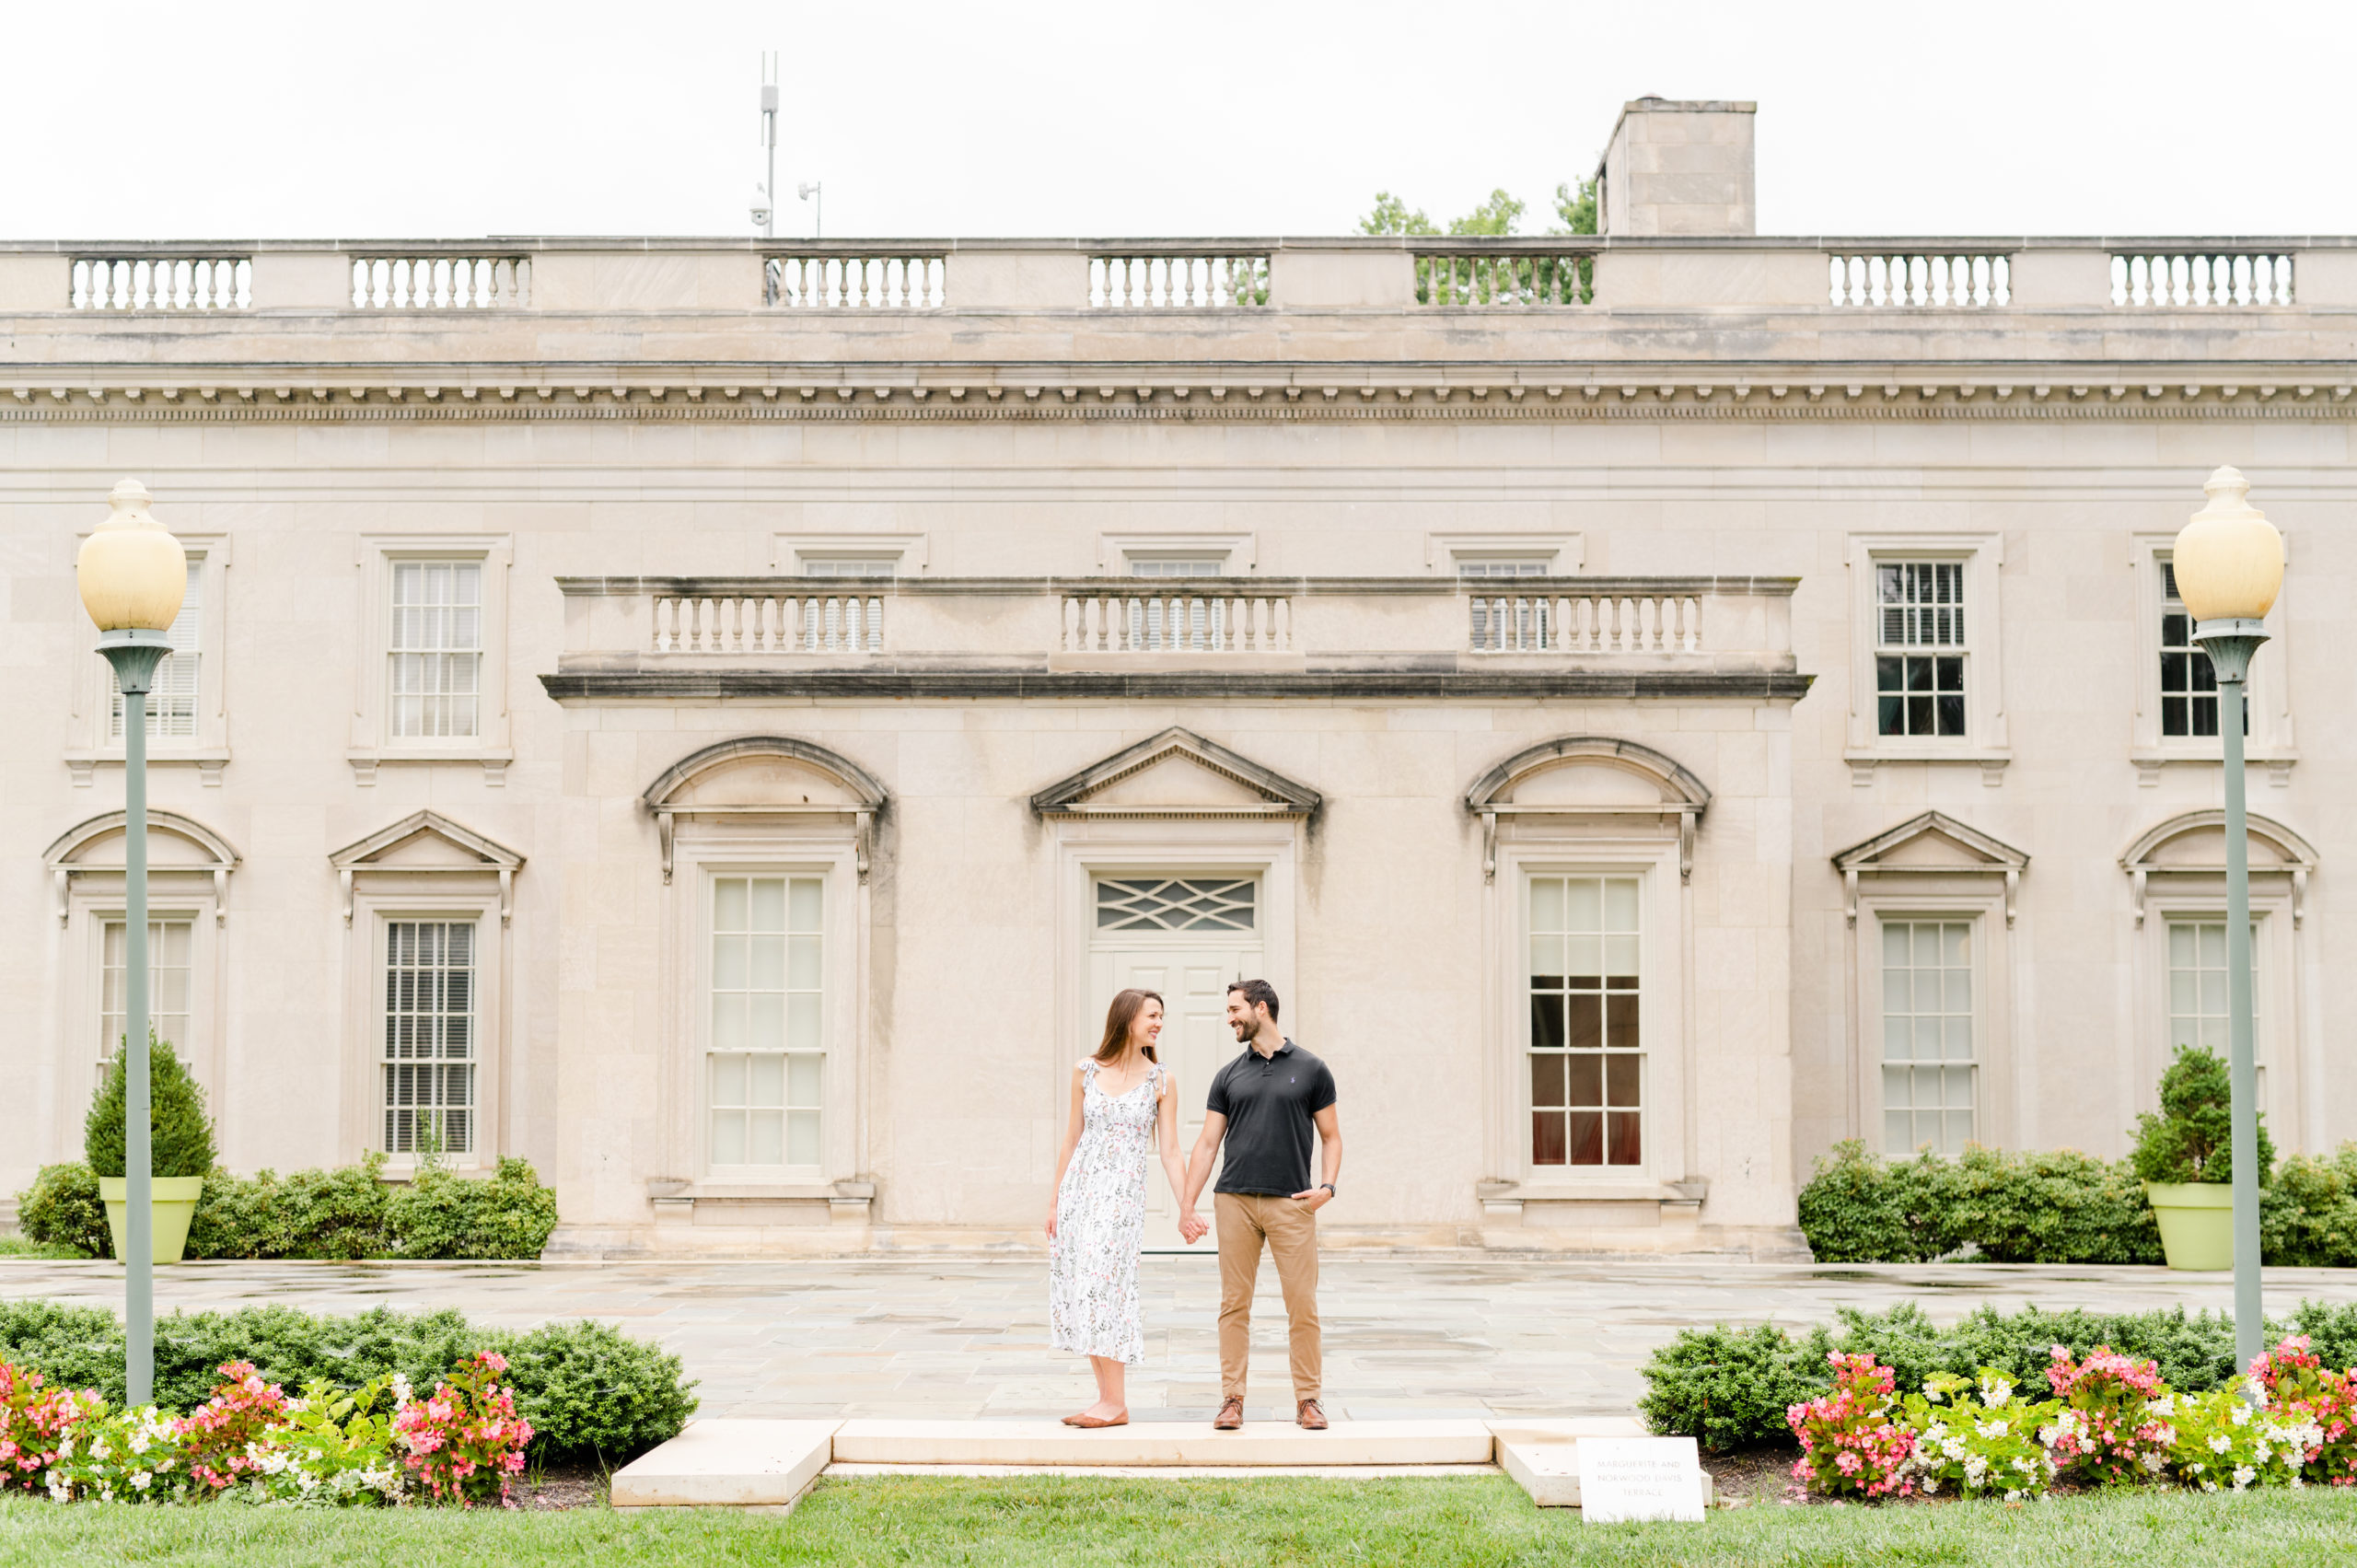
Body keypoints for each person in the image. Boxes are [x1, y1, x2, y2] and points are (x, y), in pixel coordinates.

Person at [1176, 979, 1341, 1432]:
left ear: (1261, 1008)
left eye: (1234, 1009)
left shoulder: (1311, 1069)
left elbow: (1331, 1136)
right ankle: (1232, 1400)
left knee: (1302, 1304)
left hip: (1292, 1204)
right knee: (1234, 1305)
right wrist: (1188, 1205)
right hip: (1235, 1201)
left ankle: (1308, 1400)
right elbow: (1208, 1144)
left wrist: (1327, 1187)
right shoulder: (1228, 1074)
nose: (1229, 1017)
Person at [1046, 987, 1194, 1428]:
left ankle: (1116, 1402)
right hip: (1078, 1194)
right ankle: (1107, 1400)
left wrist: (1186, 1207)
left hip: (1121, 1199)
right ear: (1126, 1018)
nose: (1158, 1023)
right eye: (1152, 1015)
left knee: (1106, 1287)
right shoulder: (1085, 1071)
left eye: (1161, 1017)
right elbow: (1071, 1138)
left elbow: (1170, 1150)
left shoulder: (1160, 1080)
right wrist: (1054, 1201)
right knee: (1084, 1290)